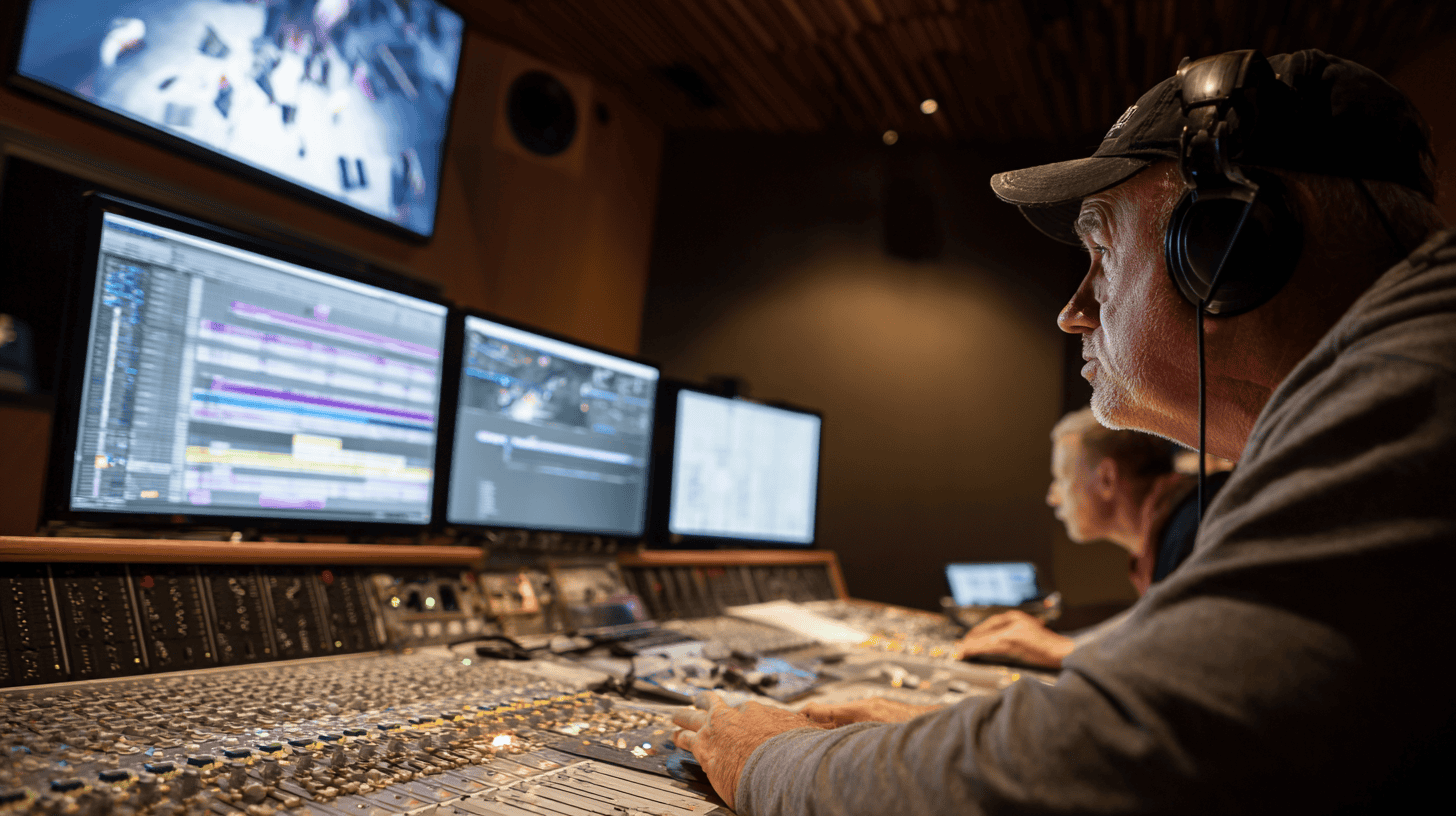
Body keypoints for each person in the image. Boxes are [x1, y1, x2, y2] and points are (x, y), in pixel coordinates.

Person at [672, 48, 1456, 814]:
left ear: (1225, 250)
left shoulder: (1421, 385)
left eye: (1104, 253)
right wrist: (952, 735)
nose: (1072, 310)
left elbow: (1125, 764)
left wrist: (766, 759)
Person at [954, 407, 1230, 669]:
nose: (1053, 497)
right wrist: (1067, 644)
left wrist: (1062, 649)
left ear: (1107, 479)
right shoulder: (1178, 520)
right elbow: (1157, 618)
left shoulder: (1194, 527)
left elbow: (1178, 644)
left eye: (1062, 478)